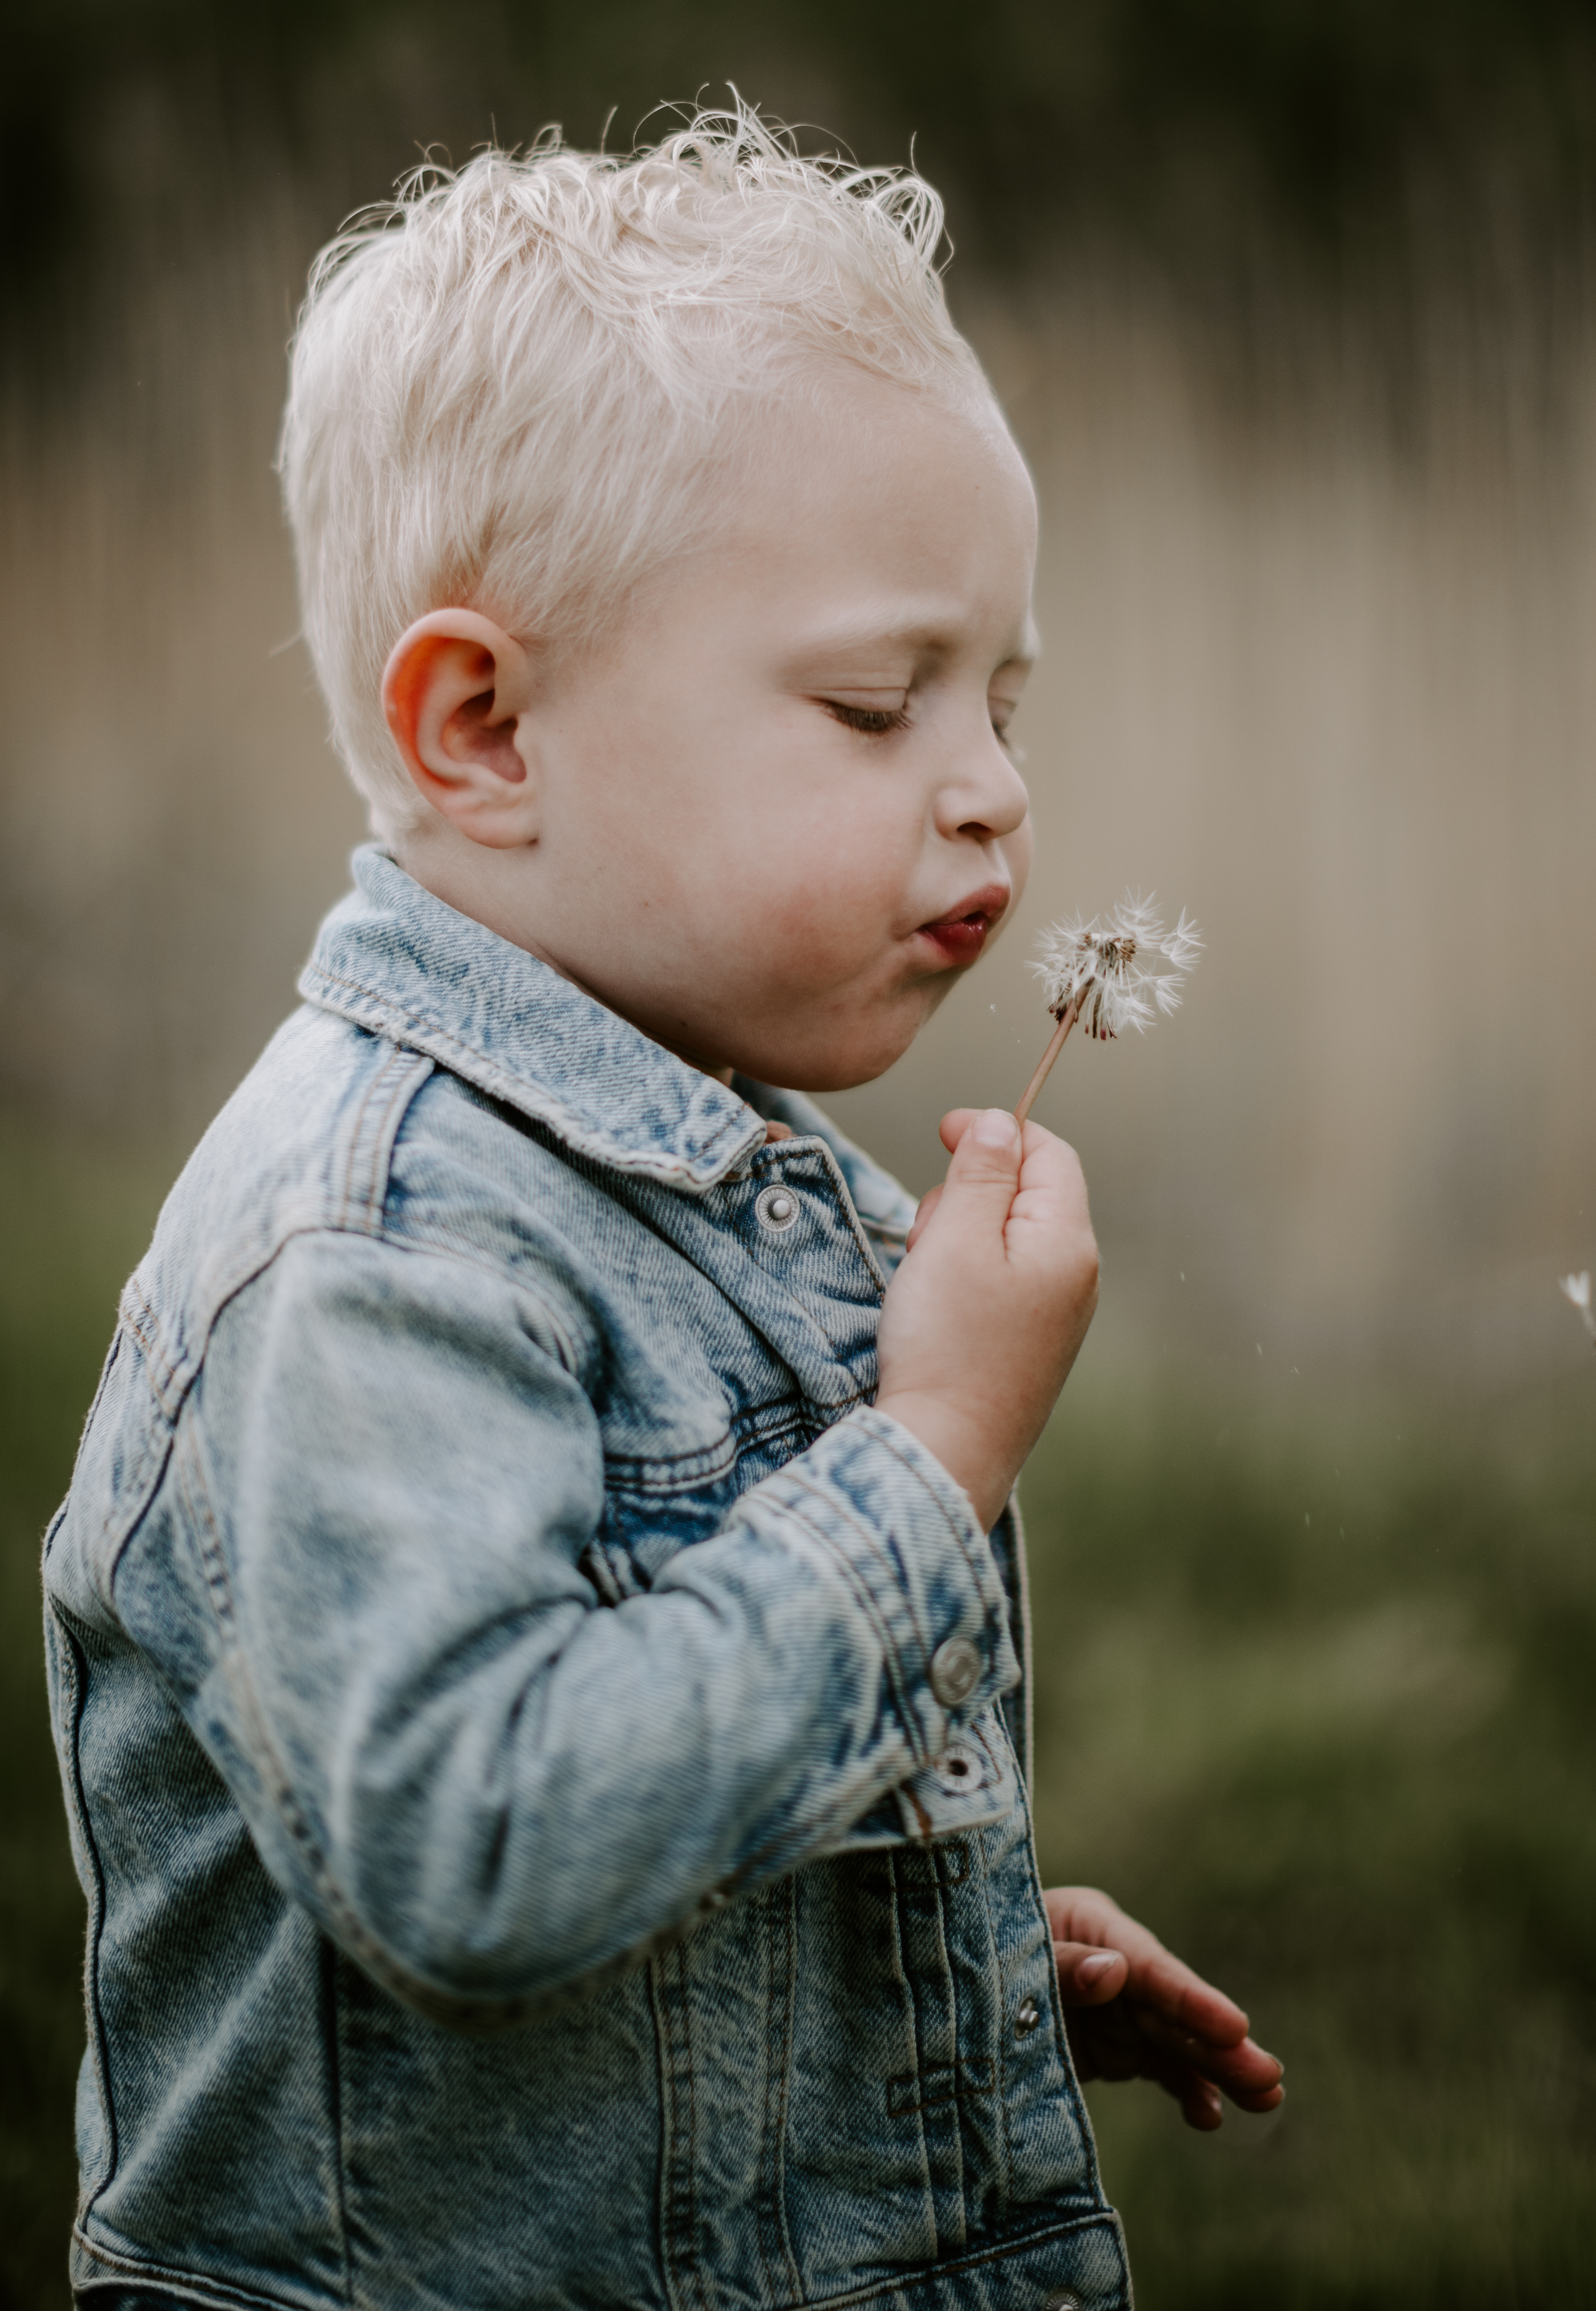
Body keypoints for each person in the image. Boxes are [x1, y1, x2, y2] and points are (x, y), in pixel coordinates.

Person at [42, 112, 1282, 2311]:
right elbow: (484, 1847)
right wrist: (928, 1466)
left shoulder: (719, 1158)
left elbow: (654, 1785)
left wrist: (933, 1975)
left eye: (998, 701)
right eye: (875, 702)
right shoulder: (376, 1260)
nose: (990, 778)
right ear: (486, 728)